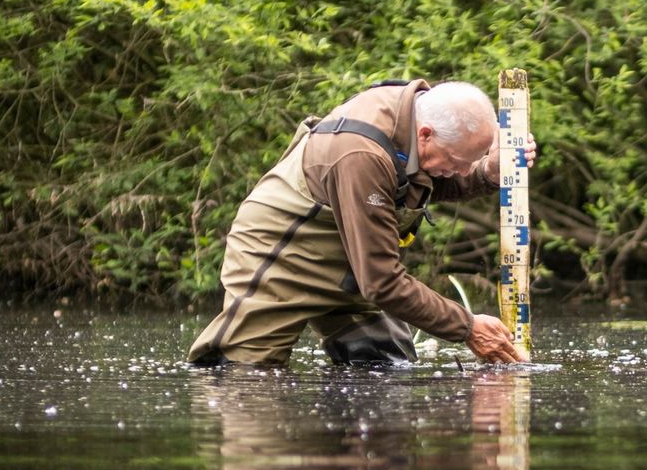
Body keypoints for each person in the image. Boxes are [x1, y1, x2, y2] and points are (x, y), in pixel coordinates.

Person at [187, 79, 533, 366]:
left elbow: (429, 177)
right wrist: (468, 327)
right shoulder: (362, 154)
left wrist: (487, 172)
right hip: (282, 256)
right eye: (459, 161)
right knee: (243, 378)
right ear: (425, 133)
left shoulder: (416, 122)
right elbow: (382, 282)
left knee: (386, 364)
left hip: (350, 262)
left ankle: (351, 446)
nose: (460, 171)